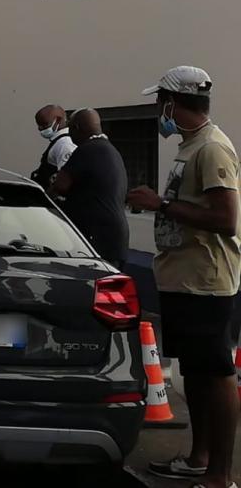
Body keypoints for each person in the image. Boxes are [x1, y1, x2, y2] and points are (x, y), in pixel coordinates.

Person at [125, 66, 239, 488]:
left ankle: (219, 474)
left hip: (205, 282)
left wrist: (161, 205)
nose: (158, 110)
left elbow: (226, 219)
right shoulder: (192, 146)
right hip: (182, 277)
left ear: (173, 103)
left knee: (216, 371)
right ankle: (199, 458)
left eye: (160, 102)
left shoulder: (212, 149)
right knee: (194, 371)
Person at [49, 108, 129, 268]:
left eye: (70, 128)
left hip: (95, 239)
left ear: (76, 128)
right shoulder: (111, 150)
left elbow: (59, 187)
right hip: (115, 239)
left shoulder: (86, 150)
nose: (69, 134)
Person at [31, 104, 76, 188]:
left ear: (58, 120)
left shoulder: (64, 145)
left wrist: (50, 196)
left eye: (44, 124)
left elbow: (65, 180)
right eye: (38, 125)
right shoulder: (59, 141)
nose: (40, 128)